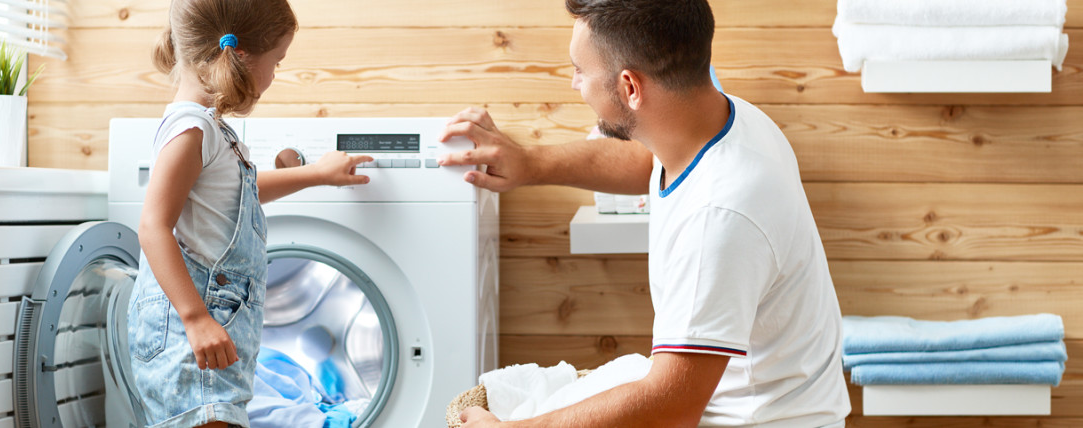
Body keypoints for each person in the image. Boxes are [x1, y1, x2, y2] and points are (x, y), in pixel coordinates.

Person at [450, 0, 851, 426]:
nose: (574, 83)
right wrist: (531, 164)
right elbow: (646, 160)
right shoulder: (720, 120)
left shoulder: (719, 215)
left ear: (630, 88)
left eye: (581, 71)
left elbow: (672, 406)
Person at [127, 0, 373, 427]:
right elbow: (152, 226)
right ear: (238, 56)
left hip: (212, 333)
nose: (276, 73)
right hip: (191, 337)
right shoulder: (191, 129)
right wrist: (197, 318)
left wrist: (316, 175)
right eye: (277, 61)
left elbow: (238, 197)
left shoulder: (210, 127)